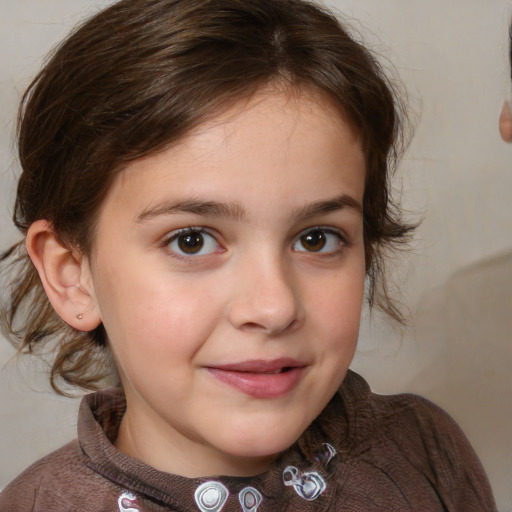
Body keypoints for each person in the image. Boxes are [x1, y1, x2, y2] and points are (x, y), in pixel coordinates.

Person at [0, 0, 496, 510]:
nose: (273, 306)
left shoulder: (425, 453)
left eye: (316, 238)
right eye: (191, 240)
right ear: (72, 276)